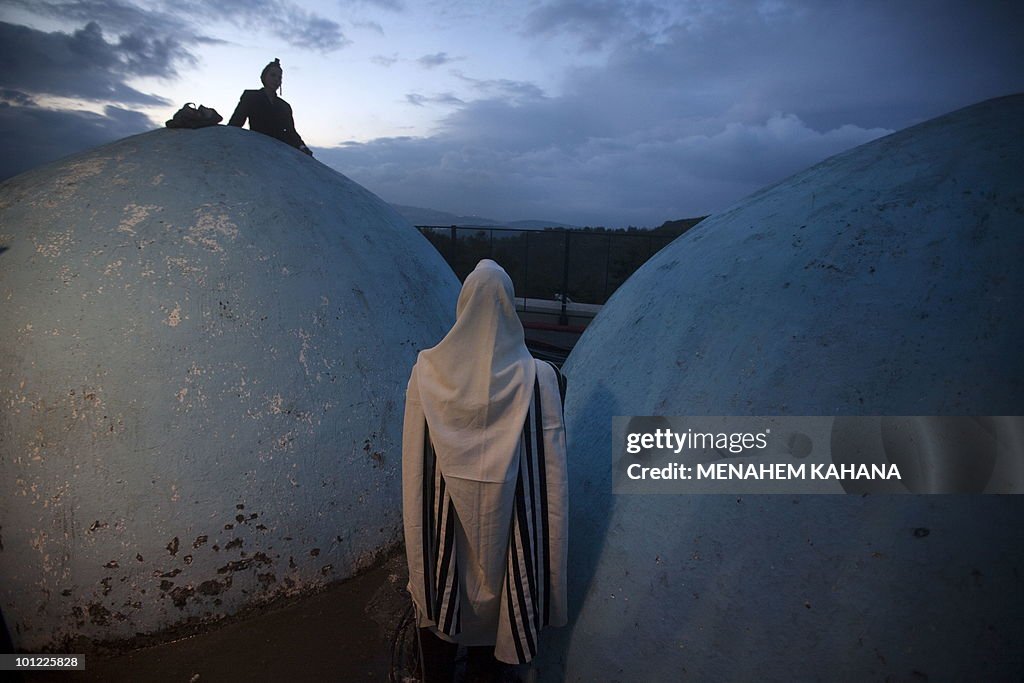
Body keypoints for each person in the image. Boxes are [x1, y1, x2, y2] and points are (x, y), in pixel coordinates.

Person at [402, 259, 568, 682]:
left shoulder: (425, 374)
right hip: (509, 538)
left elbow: (414, 475)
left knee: (444, 609)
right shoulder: (541, 380)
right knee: (494, 640)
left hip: (447, 536)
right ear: (509, 307)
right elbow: (551, 480)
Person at [228, 58, 313, 156]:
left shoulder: (284, 106)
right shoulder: (250, 96)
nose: (276, 79)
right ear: (264, 77)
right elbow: (236, 123)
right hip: (258, 148)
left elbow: (291, 132)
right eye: (273, 75)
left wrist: (302, 146)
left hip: (280, 152)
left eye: (279, 77)